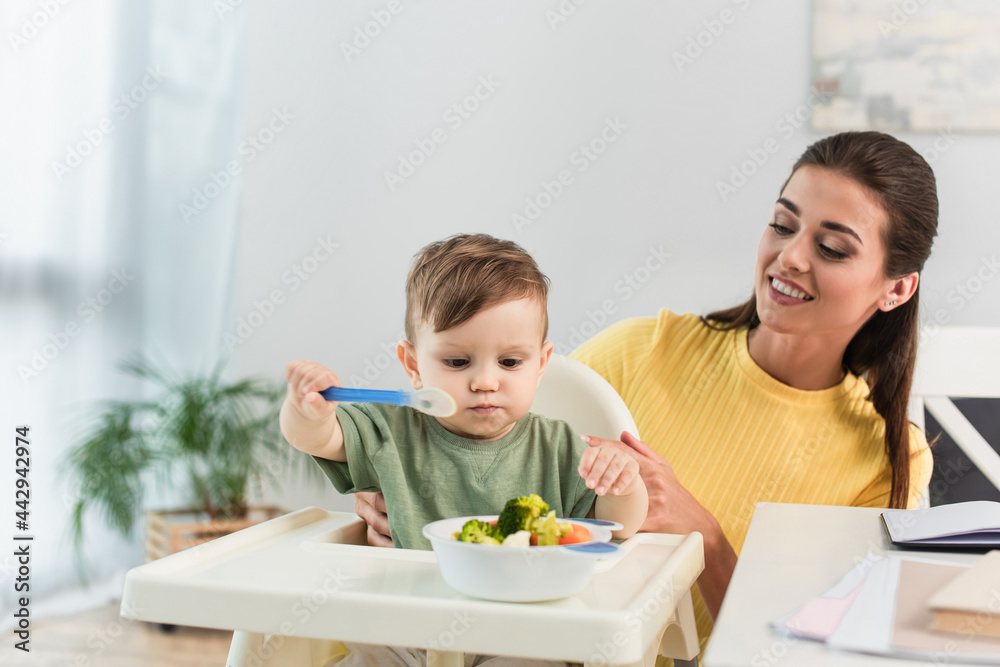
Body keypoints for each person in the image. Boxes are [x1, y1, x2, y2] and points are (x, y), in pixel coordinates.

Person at [354, 132, 938, 659]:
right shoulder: (643, 350)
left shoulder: (887, 457)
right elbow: (483, 450)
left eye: (833, 248)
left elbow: (815, 653)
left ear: (897, 288)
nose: (790, 257)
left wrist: (702, 533)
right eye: (783, 225)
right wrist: (404, 496)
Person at [281, 233, 648, 666]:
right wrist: (308, 411)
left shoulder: (560, 446)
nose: (485, 382)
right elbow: (317, 439)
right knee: (365, 653)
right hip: (406, 625)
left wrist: (622, 484)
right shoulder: (390, 431)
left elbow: (620, 529)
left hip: (523, 633)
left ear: (541, 364)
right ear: (414, 365)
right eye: (458, 362)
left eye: (510, 362)